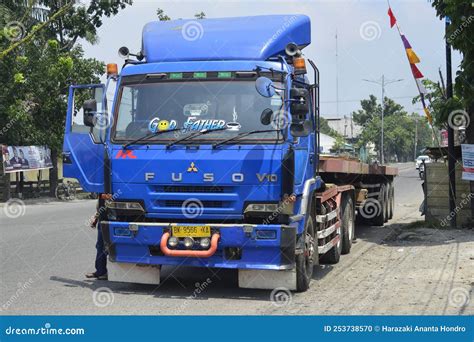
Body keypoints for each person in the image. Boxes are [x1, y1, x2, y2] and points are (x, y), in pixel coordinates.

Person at [85, 200, 108, 280]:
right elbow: (101, 205)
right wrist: (96, 217)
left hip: (112, 219)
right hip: (103, 219)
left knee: (104, 246)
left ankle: (102, 271)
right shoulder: (103, 190)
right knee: (100, 246)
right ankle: (101, 271)